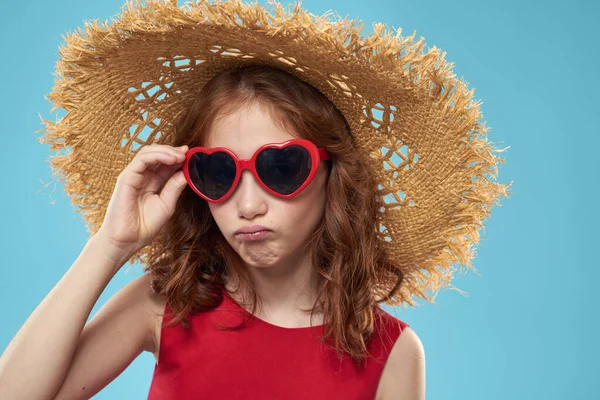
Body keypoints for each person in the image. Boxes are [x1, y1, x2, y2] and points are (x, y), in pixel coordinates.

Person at [0, 0, 510, 399]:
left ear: (333, 173)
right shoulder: (163, 306)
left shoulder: (393, 352)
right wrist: (110, 246)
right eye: (218, 172)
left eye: (280, 168)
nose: (247, 205)